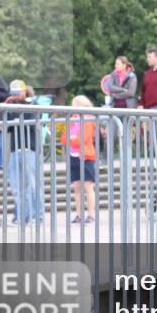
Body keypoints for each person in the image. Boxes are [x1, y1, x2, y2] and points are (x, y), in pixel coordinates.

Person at [3, 80, 43, 224]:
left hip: (30, 149)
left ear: (25, 91)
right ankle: (22, 216)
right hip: (15, 150)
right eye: (13, 94)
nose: (16, 96)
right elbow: (6, 126)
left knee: (34, 184)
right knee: (16, 186)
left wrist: (17, 109)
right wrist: (9, 107)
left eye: (18, 93)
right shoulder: (11, 105)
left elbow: (29, 120)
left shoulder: (33, 103)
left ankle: (37, 216)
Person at [62, 96, 98, 224]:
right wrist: (72, 138)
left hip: (85, 156)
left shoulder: (88, 120)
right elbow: (63, 139)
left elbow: (81, 139)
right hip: (74, 156)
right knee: (76, 186)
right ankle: (79, 214)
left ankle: (91, 215)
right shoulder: (73, 120)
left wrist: (72, 138)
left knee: (88, 186)